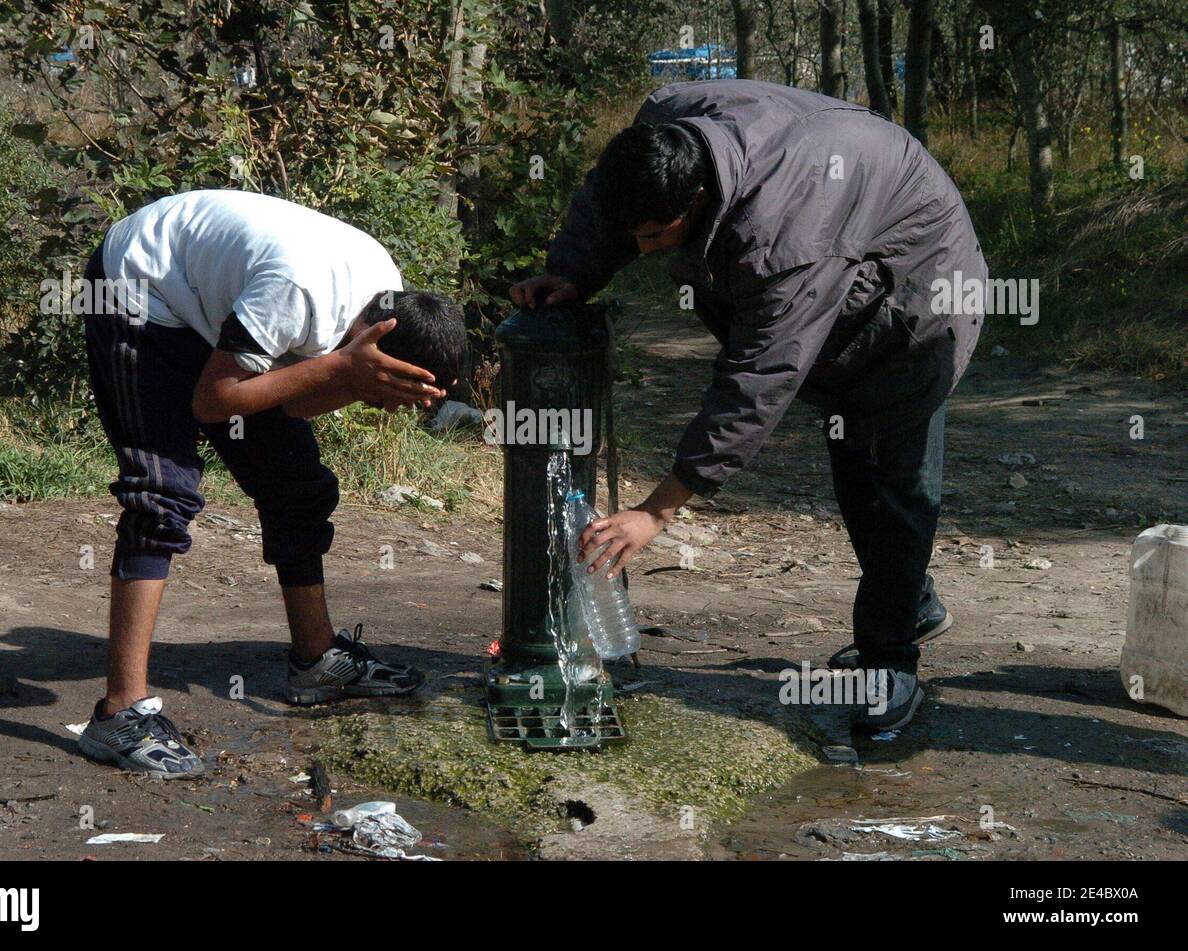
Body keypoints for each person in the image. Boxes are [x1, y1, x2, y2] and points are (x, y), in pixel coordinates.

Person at [511, 80, 987, 732]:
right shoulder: (661, 131)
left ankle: (891, 666)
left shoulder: (785, 234)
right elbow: (604, 207)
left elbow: (757, 379)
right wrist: (572, 269)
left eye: (653, 237)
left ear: (697, 201)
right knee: (852, 454)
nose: (643, 251)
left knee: (893, 479)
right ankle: (911, 604)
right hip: (845, 241)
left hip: (920, 296)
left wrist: (657, 509)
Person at [78, 189, 466, 777]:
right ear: (371, 343)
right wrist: (340, 371)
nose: (387, 411)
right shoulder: (297, 294)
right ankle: (120, 712)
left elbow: (293, 410)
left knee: (297, 485)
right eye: (389, 393)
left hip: (219, 309)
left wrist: (344, 375)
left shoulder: (384, 299)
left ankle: (316, 659)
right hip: (141, 290)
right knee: (162, 493)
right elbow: (214, 401)